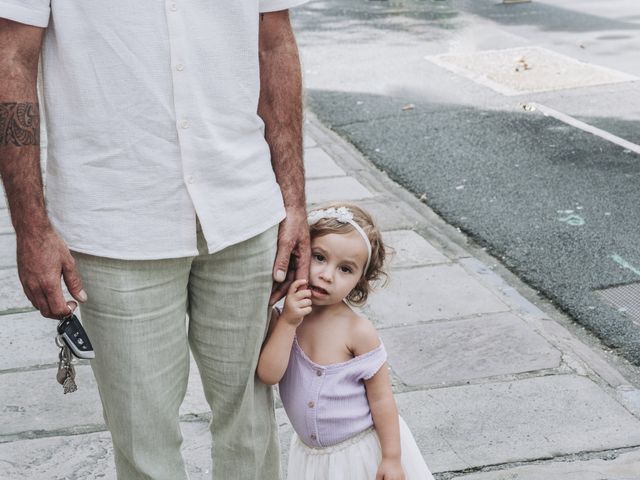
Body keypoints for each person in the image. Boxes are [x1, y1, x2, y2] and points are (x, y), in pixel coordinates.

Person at [0, 1, 311, 479]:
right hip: (115, 221)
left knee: (250, 423)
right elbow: (12, 60)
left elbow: (274, 44)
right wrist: (31, 227)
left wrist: (293, 201)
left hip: (243, 206)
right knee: (143, 442)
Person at [257, 203, 435, 480]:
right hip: (313, 462)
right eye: (319, 257)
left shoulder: (357, 331)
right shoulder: (286, 318)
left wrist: (391, 458)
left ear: (360, 281)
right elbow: (268, 374)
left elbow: (382, 399)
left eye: (345, 269)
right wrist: (288, 322)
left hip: (359, 455)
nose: (327, 275)